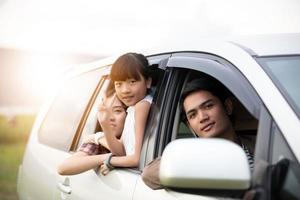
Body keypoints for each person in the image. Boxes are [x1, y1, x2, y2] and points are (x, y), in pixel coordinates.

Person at [142, 77, 255, 190]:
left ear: (227, 107)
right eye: (193, 115)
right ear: (190, 126)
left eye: (208, 106)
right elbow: (148, 174)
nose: (202, 118)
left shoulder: (260, 145)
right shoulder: (195, 156)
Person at [99, 52, 153, 174]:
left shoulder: (142, 106)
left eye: (132, 81)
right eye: (119, 84)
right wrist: (104, 125)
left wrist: (109, 161)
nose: (125, 90)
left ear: (148, 82)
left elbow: (136, 159)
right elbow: (121, 151)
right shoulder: (132, 109)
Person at [57, 83, 127, 175]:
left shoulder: (138, 141)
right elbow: (63, 168)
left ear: (129, 115)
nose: (109, 118)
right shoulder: (98, 144)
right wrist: (110, 158)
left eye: (117, 111)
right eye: (105, 111)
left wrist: (98, 137)